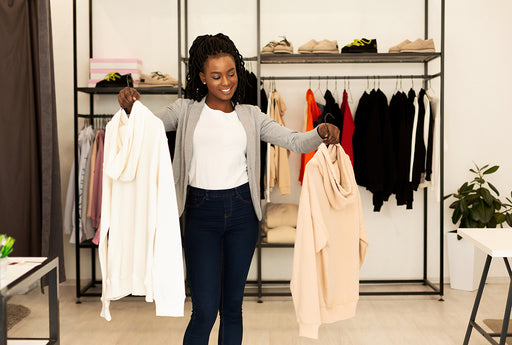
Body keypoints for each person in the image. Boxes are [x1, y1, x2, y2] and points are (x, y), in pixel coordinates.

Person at [118, 33, 340, 345]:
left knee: (232, 308)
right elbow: (147, 127)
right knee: (205, 310)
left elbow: (293, 140)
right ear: (202, 77)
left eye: (231, 73)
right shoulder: (184, 111)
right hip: (200, 213)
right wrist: (130, 107)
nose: (226, 82)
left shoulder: (251, 115)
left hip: (241, 214)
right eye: (216, 75)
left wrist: (320, 132)